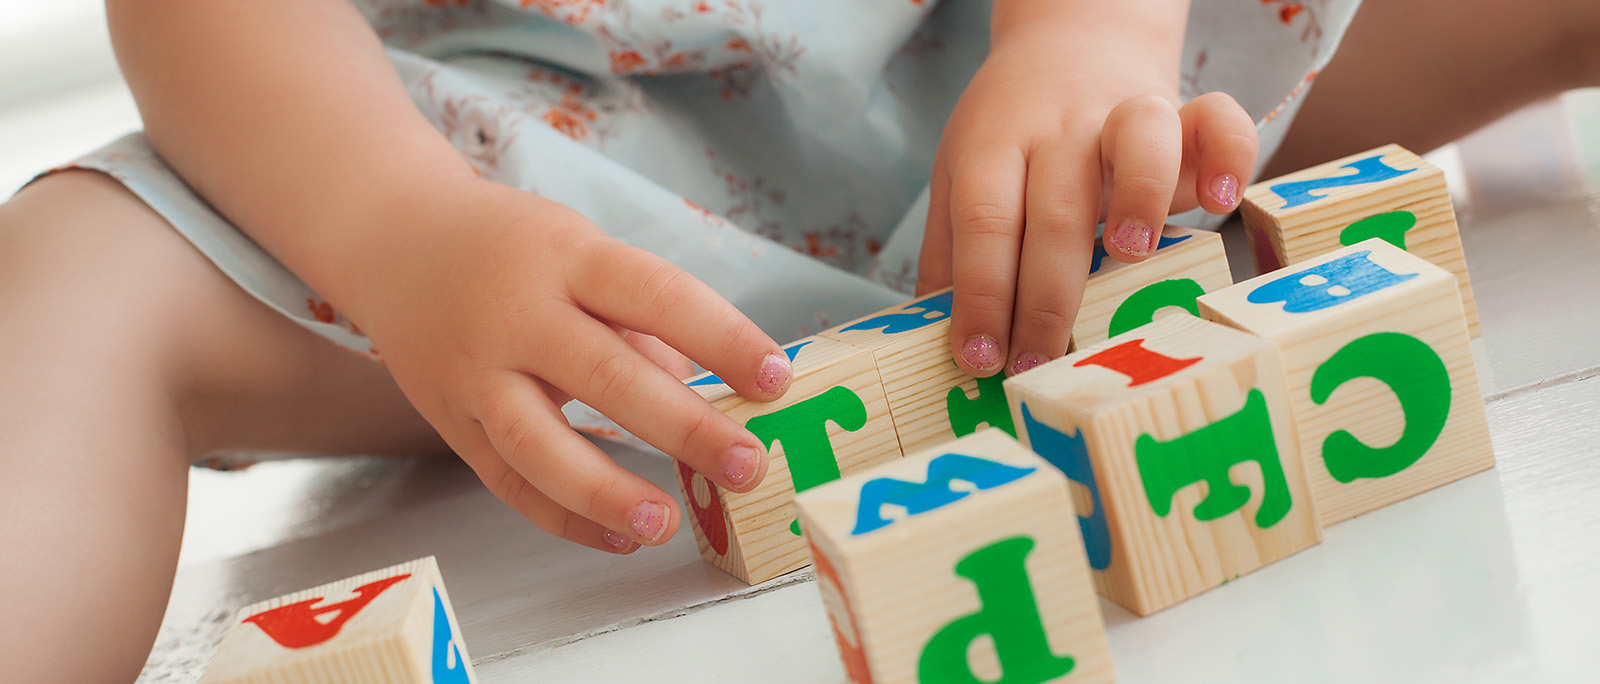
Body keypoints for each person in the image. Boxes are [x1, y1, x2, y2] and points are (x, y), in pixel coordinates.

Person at [2, 0, 1595, 680]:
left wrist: (1091, 36)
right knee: (75, 284)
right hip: (496, 165)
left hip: (1035, 65)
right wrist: (402, 237)